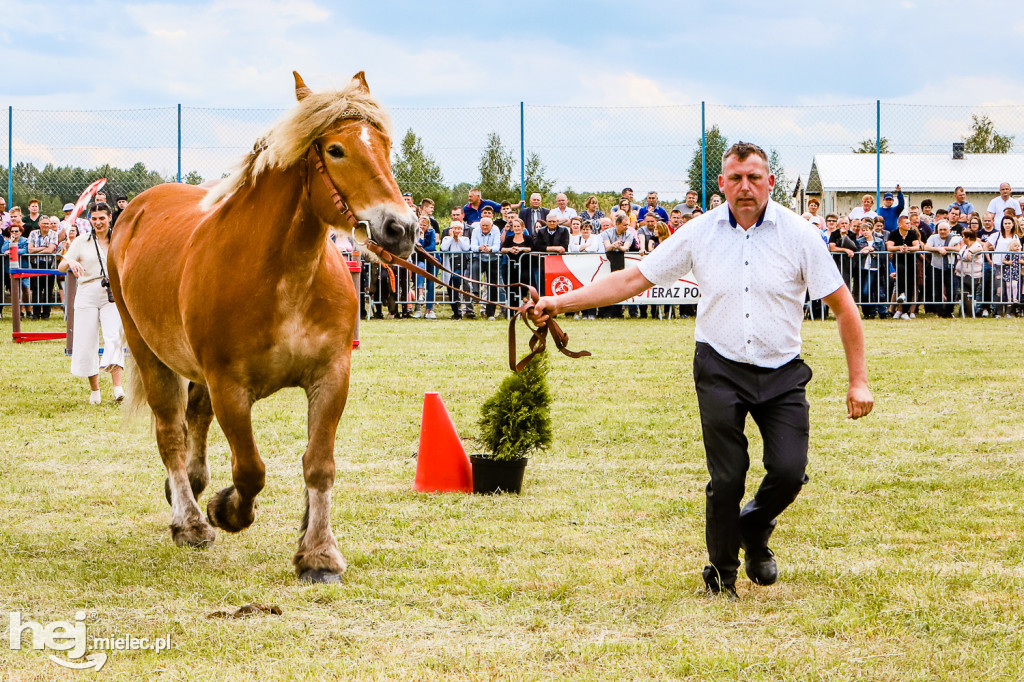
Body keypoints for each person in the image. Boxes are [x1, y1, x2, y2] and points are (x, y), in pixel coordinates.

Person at [530, 141, 872, 599]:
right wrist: (559, 301)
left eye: (754, 177)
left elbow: (844, 308)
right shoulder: (700, 232)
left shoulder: (800, 235)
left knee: (790, 471)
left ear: (770, 182)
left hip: (782, 371)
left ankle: (752, 527)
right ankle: (723, 574)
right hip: (719, 366)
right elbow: (632, 279)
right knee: (728, 477)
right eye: (736, 178)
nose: (745, 187)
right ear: (722, 184)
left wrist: (859, 380)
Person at [57, 203, 125, 404]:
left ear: (110, 217)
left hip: (112, 293)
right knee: (86, 341)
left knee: (114, 337)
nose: (98, 222)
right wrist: (70, 262)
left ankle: (118, 388)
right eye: (94, 219)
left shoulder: (119, 239)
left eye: (101, 218)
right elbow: (61, 266)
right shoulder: (81, 240)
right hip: (86, 292)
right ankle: (94, 390)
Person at [923, 220, 961, 318]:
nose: (942, 231)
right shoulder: (933, 237)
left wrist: (945, 248)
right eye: (940, 229)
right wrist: (938, 249)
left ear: (949, 230)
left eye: (945, 229)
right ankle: (940, 311)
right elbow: (926, 247)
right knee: (937, 290)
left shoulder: (954, 238)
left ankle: (949, 311)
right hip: (936, 266)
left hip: (950, 266)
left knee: (951, 290)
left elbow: (957, 249)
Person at [885, 214, 921, 319]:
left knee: (910, 284)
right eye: (907, 223)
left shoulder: (913, 233)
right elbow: (889, 247)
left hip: (911, 261)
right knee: (900, 273)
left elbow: (917, 246)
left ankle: (905, 311)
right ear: (900, 224)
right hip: (899, 260)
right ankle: (901, 293)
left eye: (909, 223)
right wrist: (899, 247)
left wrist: (908, 249)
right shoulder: (894, 233)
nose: (909, 225)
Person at [28, 215, 60, 320]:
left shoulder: (54, 234)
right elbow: (30, 250)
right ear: (39, 224)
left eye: (48, 223)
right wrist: (44, 248)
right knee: (36, 288)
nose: (46, 225)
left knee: (48, 289)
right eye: (44, 223)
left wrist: (37, 250)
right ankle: (36, 314)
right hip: (35, 264)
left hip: (49, 264)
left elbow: (50, 250)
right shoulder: (33, 233)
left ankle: (46, 313)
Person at [471, 216, 502, 320]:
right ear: (480, 225)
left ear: (491, 226)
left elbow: (497, 246)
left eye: (487, 226)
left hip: (493, 258)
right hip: (479, 257)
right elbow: (473, 246)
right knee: (474, 268)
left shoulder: (496, 230)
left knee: (493, 285)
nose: (484, 227)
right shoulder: (475, 230)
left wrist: (490, 249)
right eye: (483, 225)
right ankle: (475, 292)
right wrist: (480, 248)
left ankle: (490, 313)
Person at [440, 221, 472, 319]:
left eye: (459, 229)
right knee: (450, 286)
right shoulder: (446, 238)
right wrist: (451, 238)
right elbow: (443, 248)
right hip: (449, 263)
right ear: (451, 230)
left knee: (455, 281)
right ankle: (456, 311)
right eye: (455, 228)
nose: (457, 231)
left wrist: (458, 238)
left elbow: (466, 248)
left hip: (460, 262)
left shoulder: (465, 239)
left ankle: (458, 307)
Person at [500, 217, 534, 311]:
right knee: (512, 284)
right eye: (515, 226)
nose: (516, 228)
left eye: (518, 226)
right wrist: (510, 250)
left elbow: (531, 248)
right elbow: (502, 249)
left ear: (522, 227)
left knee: (525, 278)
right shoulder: (509, 238)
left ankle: (524, 295)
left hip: (525, 265)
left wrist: (521, 249)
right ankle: (513, 308)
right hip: (512, 266)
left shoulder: (527, 238)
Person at [2, 223, 31, 315]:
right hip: (11, 269)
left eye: (16, 231)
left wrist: (12, 250)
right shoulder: (7, 241)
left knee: (25, 289)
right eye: (12, 231)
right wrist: (11, 242)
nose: (14, 233)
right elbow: (3, 250)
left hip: (23, 267)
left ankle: (28, 310)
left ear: (21, 232)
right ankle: (19, 311)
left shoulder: (25, 240)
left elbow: (25, 250)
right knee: (15, 290)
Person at [412, 214, 437, 319]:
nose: (422, 226)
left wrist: (422, 247)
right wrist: (421, 238)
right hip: (419, 260)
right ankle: (418, 308)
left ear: (428, 226)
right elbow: (416, 247)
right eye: (420, 224)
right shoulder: (414, 233)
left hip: (432, 260)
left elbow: (432, 246)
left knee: (431, 284)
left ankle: (429, 310)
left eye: (424, 225)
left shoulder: (432, 232)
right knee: (419, 276)